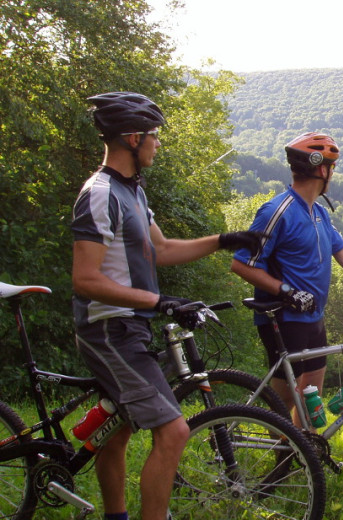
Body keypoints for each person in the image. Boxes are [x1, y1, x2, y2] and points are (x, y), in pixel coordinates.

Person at [71, 91, 261, 520]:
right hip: (109, 329)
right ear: (133, 138)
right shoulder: (100, 193)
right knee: (174, 431)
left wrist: (223, 240)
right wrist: (160, 301)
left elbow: (160, 249)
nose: (158, 143)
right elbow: (85, 280)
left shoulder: (132, 192)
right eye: (154, 135)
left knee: (113, 433)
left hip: (130, 325)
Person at [231, 132, 343, 427]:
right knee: (283, 401)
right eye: (332, 167)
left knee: (308, 396)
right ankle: (253, 452)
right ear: (321, 169)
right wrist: (287, 292)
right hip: (284, 318)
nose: (333, 174)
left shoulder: (318, 213)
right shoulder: (277, 211)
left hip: (314, 317)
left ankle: (295, 454)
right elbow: (242, 264)